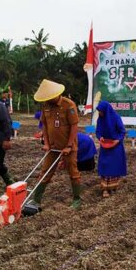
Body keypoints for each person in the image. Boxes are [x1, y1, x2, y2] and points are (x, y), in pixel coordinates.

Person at [32, 79, 82, 210]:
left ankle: (77, 199)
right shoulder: (46, 106)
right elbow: (44, 125)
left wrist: (69, 145)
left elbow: (74, 126)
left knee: (73, 172)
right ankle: (36, 200)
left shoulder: (68, 105)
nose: (48, 100)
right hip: (53, 147)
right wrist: (47, 143)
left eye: (49, 97)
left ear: (56, 94)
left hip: (68, 146)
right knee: (45, 172)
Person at [96, 100, 127, 198]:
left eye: (101, 111)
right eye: (99, 111)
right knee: (105, 166)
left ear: (106, 110)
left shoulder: (115, 117)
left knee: (114, 167)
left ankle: (112, 186)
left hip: (116, 147)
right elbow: (98, 131)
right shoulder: (100, 119)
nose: (99, 113)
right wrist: (100, 137)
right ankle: (105, 189)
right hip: (105, 146)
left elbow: (122, 131)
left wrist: (117, 140)